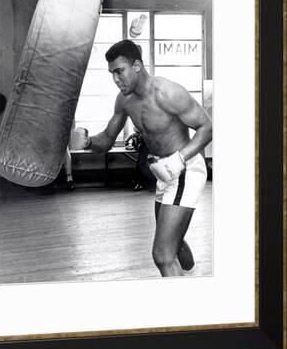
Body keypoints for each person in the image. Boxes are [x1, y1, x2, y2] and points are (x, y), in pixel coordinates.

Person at [70, 40, 212, 277]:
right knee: (173, 241)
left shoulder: (168, 93)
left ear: (136, 66)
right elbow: (106, 139)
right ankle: (193, 276)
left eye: (119, 71)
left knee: (162, 255)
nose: (116, 79)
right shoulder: (124, 100)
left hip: (185, 168)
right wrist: (86, 142)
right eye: (112, 74)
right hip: (163, 172)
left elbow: (207, 127)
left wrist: (180, 158)